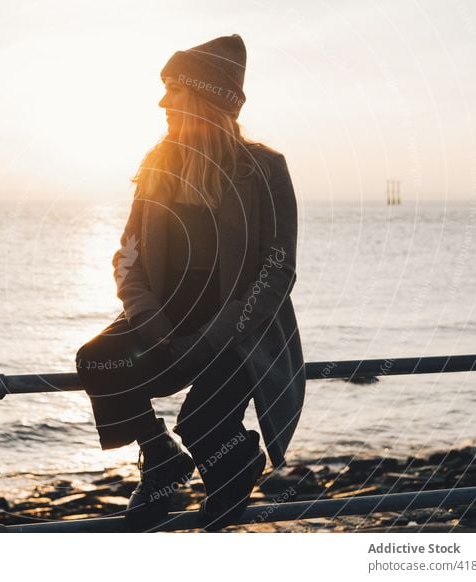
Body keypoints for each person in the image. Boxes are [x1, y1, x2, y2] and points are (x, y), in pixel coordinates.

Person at [75, 34, 306, 531]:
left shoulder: (265, 170)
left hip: (242, 337)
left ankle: (236, 465)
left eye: (173, 90)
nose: (162, 101)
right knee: (96, 360)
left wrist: (221, 333)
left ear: (205, 97)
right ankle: (161, 458)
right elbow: (128, 256)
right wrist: (148, 319)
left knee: (201, 423)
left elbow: (278, 267)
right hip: (166, 326)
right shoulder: (157, 165)